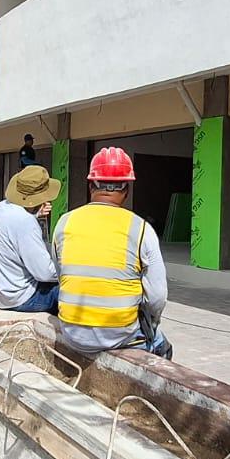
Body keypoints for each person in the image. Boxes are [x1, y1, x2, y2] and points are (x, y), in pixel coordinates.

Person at [52, 147, 173, 358]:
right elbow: (157, 297)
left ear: (91, 185)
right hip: (119, 335)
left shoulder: (64, 222)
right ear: (127, 189)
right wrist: (151, 322)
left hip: (72, 332)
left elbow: (59, 272)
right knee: (163, 346)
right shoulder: (141, 228)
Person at [0, 166, 63, 313]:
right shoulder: (26, 222)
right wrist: (71, 270)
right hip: (23, 297)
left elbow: (14, 231)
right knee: (73, 290)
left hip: (1, 294)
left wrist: (36, 215)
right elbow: (44, 273)